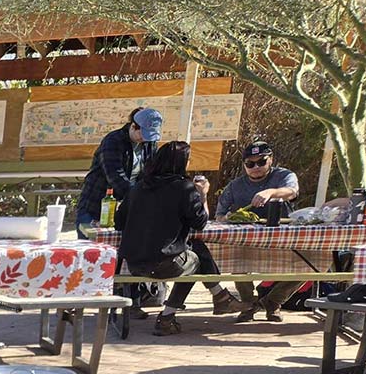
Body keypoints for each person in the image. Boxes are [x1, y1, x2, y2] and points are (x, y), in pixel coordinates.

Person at [115, 140, 235, 337]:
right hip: (164, 263)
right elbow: (200, 223)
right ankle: (169, 316)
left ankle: (221, 297)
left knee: (196, 248)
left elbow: (118, 222)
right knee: (197, 261)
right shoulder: (184, 188)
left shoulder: (138, 187)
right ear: (181, 163)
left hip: (134, 263)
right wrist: (202, 195)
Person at [215, 140, 306, 321]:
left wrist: (271, 192)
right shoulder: (234, 186)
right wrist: (229, 218)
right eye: (250, 163)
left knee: (310, 266)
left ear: (270, 160)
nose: (255, 167)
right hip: (246, 240)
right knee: (237, 264)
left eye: (261, 162)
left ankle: (274, 301)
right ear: (244, 165)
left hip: (282, 235)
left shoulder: (284, 176)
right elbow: (220, 215)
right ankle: (248, 304)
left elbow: (292, 191)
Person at [74, 107, 161, 237]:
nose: (145, 139)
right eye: (143, 134)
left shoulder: (150, 143)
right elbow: (115, 176)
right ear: (133, 126)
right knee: (91, 250)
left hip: (123, 209)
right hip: (96, 205)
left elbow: (150, 173)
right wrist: (139, 198)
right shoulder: (113, 140)